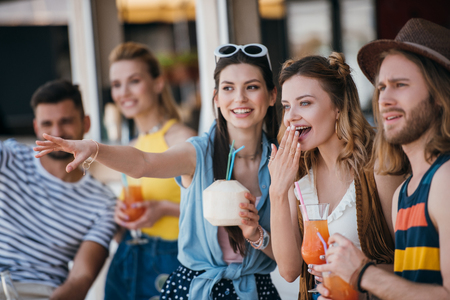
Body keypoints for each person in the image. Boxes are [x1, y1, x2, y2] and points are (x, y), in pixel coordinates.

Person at [34, 43, 282, 300]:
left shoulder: (282, 163)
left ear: (273, 95)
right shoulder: (197, 152)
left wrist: (257, 235)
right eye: (228, 88)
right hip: (194, 289)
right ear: (216, 98)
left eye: (251, 87)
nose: (239, 98)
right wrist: (94, 148)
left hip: (257, 290)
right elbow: (143, 163)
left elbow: (290, 265)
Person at [314, 18, 450, 300]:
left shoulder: (445, 180)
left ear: (439, 95)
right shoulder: (405, 192)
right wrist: (353, 281)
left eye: (400, 85)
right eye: (381, 87)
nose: (384, 99)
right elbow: (410, 289)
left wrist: (364, 273)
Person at [268, 52, 404, 300]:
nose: (290, 116)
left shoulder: (379, 164)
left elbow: (410, 264)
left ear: (338, 107)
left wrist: (358, 275)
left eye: (305, 103)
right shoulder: (296, 171)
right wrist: (278, 190)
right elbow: (288, 270)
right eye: (286, 106)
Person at [0, 79, 117, 300]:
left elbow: (80, 279)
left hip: (41, 293)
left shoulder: (103, 202)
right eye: (47, 124)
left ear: (86, 123)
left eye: (66, 121)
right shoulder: (10, 157)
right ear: (36, 127)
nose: (56, 133)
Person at [104, 42, 196, 300]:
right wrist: (120, 214)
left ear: (157, 83)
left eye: (134, 81)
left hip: (172, 259)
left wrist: (165, 209)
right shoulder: (131, 147)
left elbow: (209, 211)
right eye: (116, 84)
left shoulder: (182, 139)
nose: (124, 92)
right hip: (129, 257)